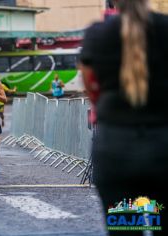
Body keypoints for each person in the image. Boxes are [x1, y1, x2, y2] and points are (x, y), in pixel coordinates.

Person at [80, 0, 168, 235]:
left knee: (126, 229)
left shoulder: (98, 34)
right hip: (163, 144)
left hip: (116, 149)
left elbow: (90, 84)